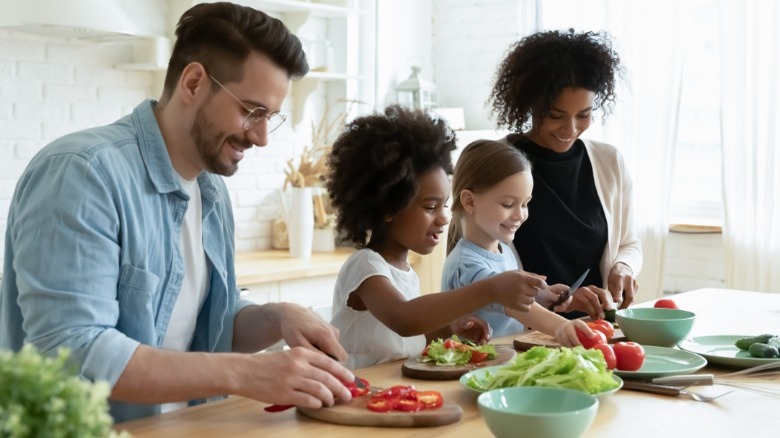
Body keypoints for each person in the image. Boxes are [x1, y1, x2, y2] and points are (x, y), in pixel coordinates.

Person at [0, 2, 354, 423]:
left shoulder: (211, 192)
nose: (260, 137)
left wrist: (276, 316)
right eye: (251, 111)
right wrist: (246, 374)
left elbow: (206, 326)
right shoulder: (83, 173)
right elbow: (74, 352)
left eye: (269, 118)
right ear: (193, 82)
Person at [326, 105, 557, 370]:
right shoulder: (366, 267)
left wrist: (449, 329)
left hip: (391, 389)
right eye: (430, 207)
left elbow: (406, 339)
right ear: (388, 207)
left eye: (444, 206)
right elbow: (403, 320)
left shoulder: (404, 271)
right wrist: (492, 288)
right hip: (356, 390)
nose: (444, 218)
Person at [488, 29, 643, 320]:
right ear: (530, 104)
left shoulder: (609, 162)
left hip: (595, 328)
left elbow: (628, 243)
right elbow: (475, 269)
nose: (569, 129)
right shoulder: (496, 163)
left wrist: (623, 267)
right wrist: (559, 298)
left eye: (583, 115)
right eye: (556, 115)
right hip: (524, 332)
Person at [442, 139, 591, 340]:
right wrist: (560, 327)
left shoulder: (503, 250)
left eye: (525, 204)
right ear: (469, 201)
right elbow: (509, 304)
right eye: (508, 204)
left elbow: (507, 302)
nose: (520, 215)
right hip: (480, 368)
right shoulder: (466, 264)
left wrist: (539, 296)